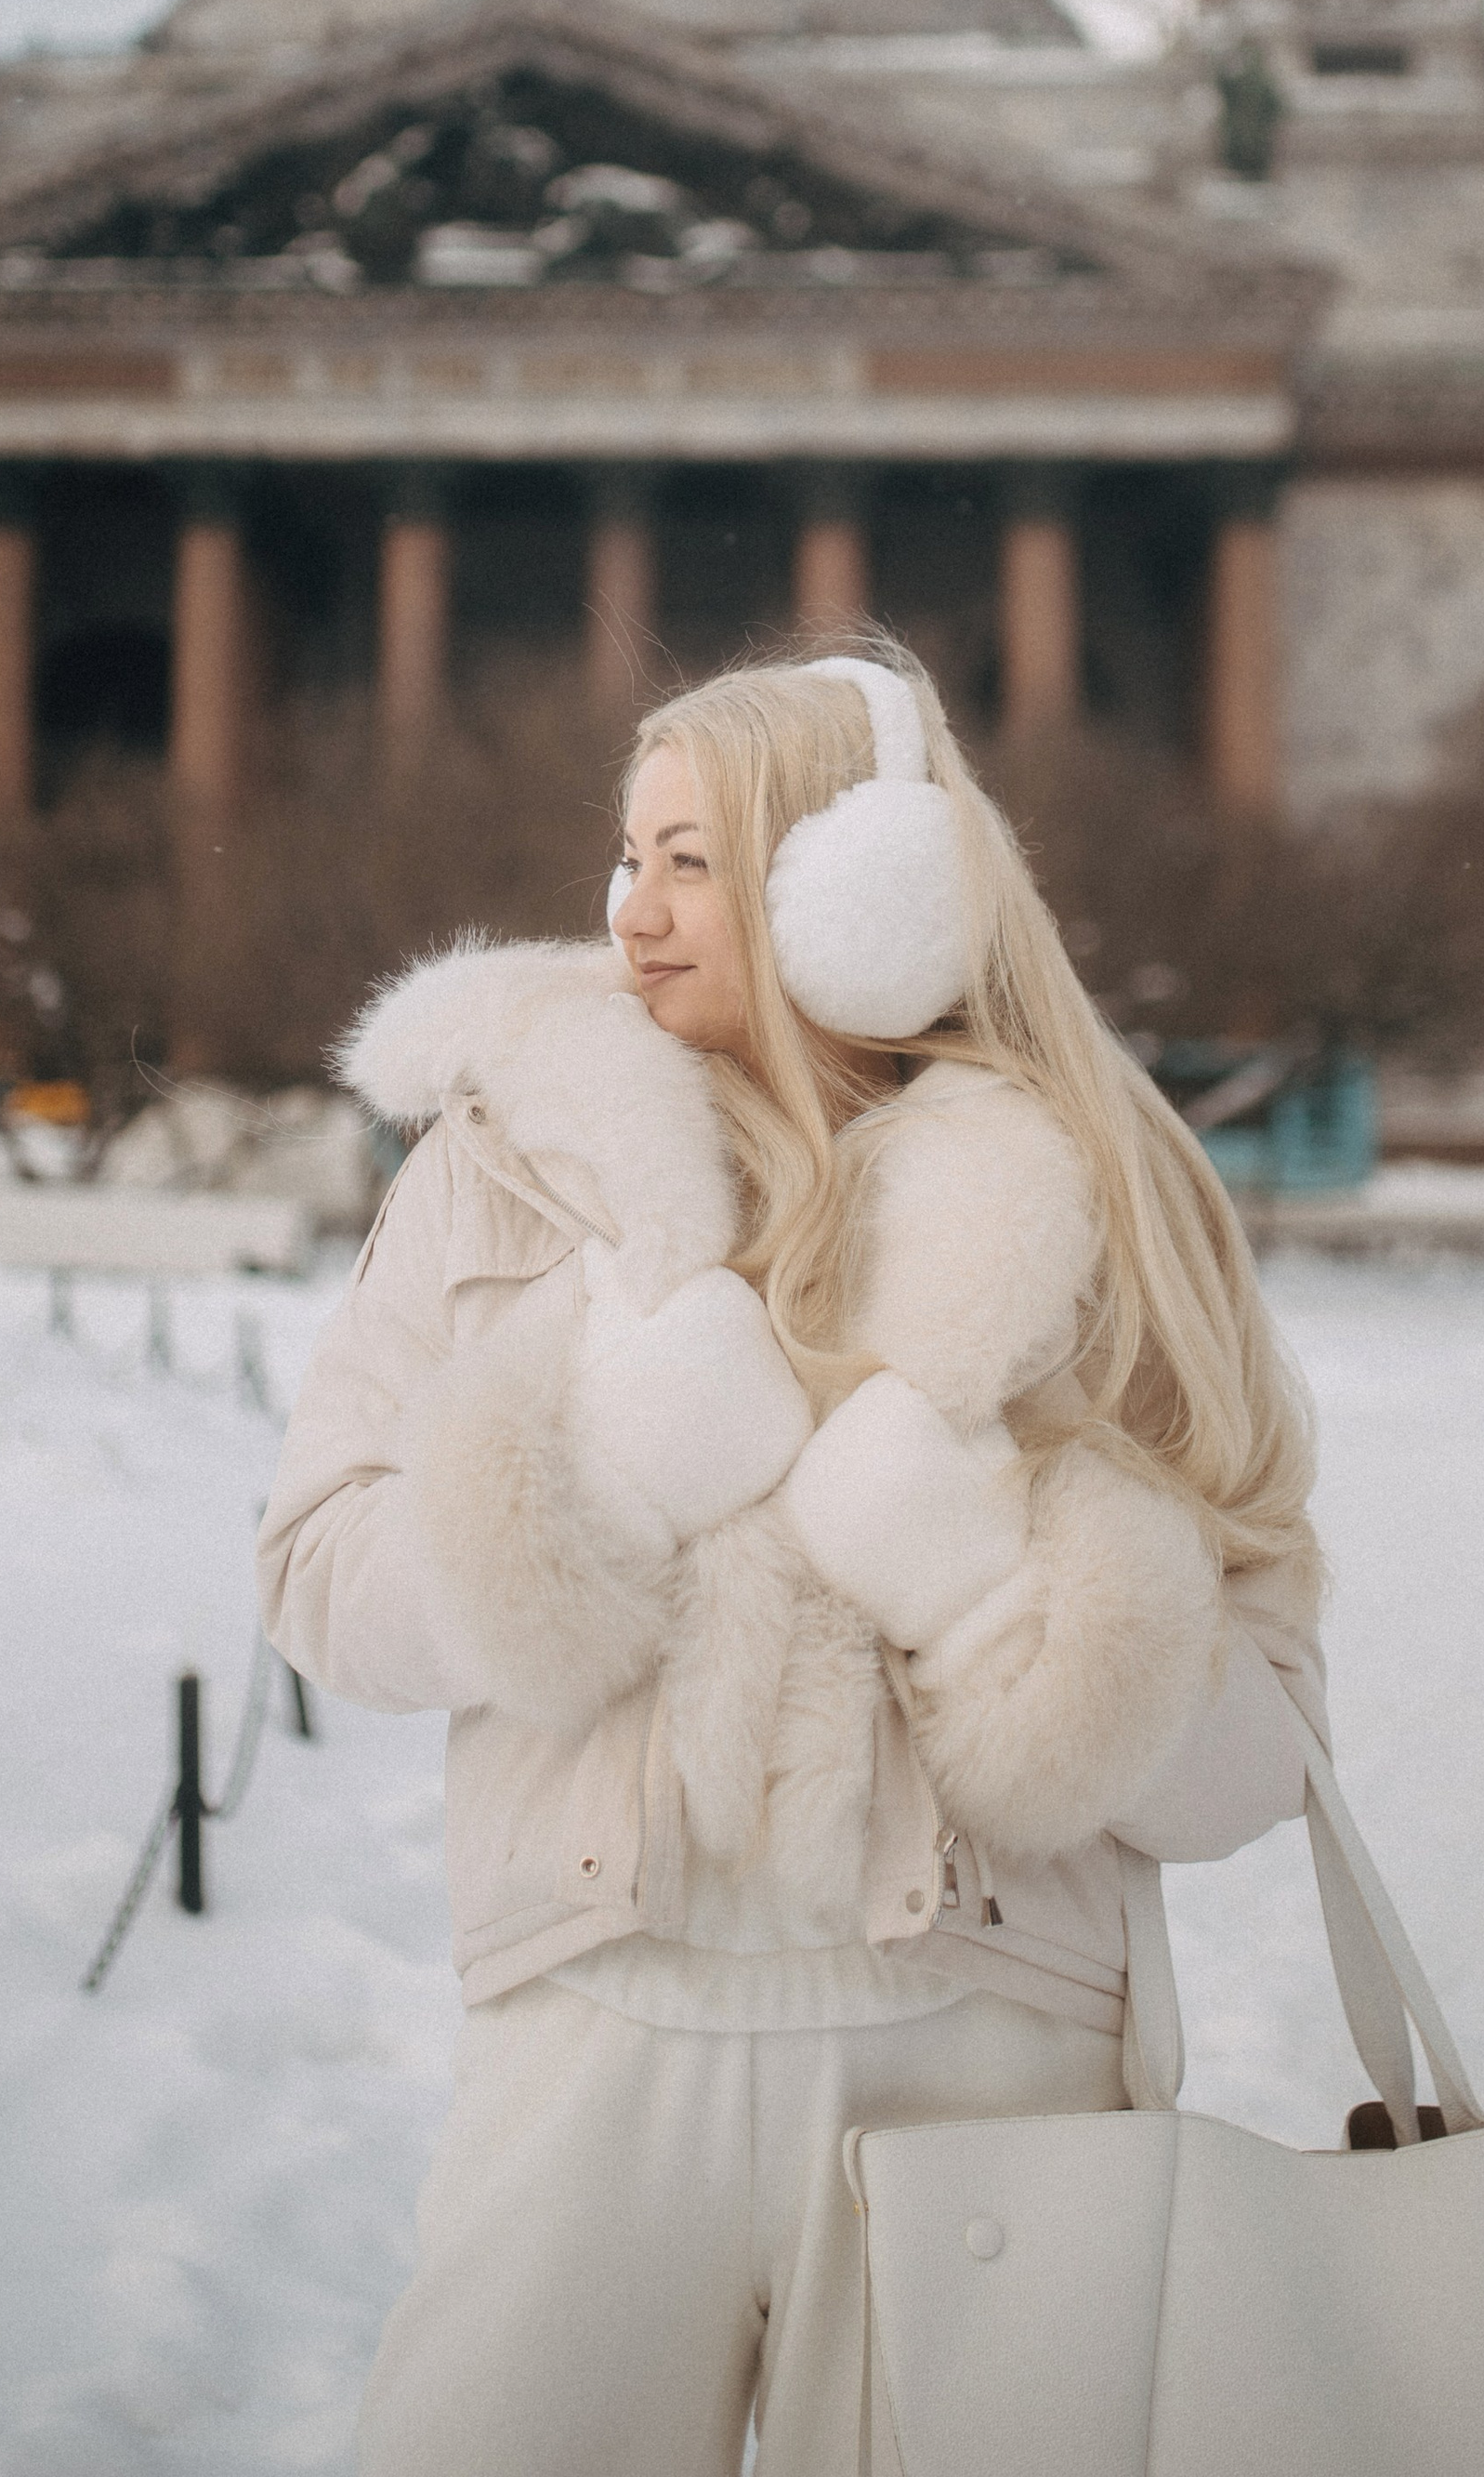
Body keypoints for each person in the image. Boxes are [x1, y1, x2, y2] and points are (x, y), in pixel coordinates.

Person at [257, 648, 1325, 2475]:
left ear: (872, 888)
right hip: (596, 2038)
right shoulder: (498, 1172)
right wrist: (589, 1490)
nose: (630, 912)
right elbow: (317, 1580)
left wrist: (986, 1590)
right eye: (625, 854)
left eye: (694, 861)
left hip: (989, 2071)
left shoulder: (1103, 1210)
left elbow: (1262, 1756)